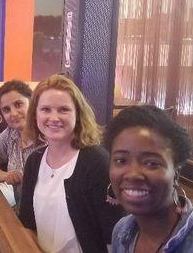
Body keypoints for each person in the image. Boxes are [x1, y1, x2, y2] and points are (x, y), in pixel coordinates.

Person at [105, 105, 193, 252]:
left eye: (152, 163)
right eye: (121, 160)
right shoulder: (122, 231)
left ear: (176, 174)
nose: (133, 174)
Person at [18, 75, 124, 253]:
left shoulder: (97, 162)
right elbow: (27, 223)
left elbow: (114, 235)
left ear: (78, 114)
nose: (54, 117)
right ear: (35, 114)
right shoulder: (34, 161)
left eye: (63, 110)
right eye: (45, 109)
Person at [0, 80, 44, 206]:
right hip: (19, 214)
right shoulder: (10, 133)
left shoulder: (48, 137)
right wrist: (3, 175)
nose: (13, 113)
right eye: (6, 110)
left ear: (32, 103)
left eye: (18, 104)